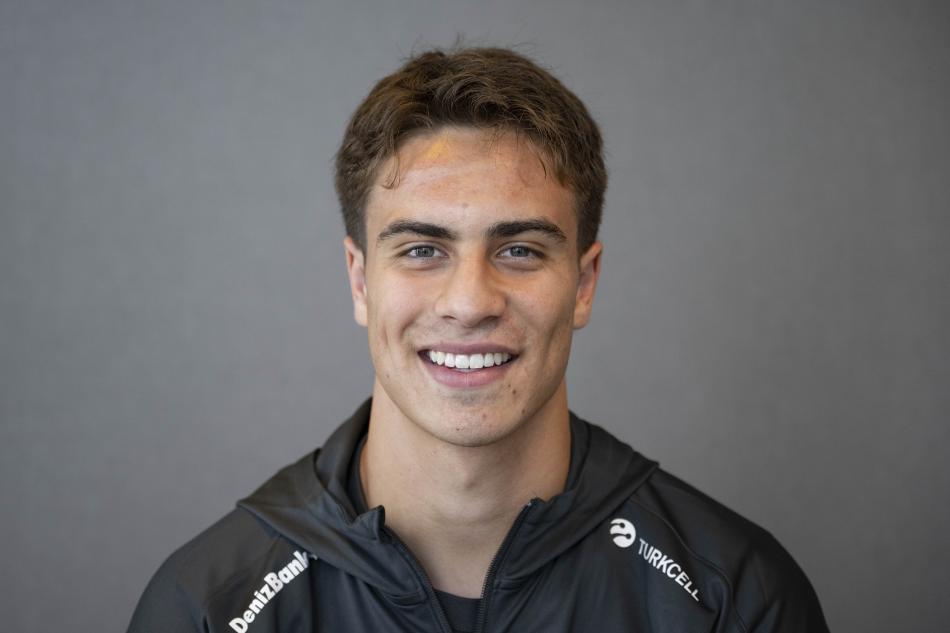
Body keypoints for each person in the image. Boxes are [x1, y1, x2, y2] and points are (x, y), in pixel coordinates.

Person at [127, 46, 829, 633]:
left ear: (584, 284)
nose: (468, 303)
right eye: (422, 250)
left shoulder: (734, 599)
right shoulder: (208, 608)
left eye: (520, 250)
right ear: (361, 282)